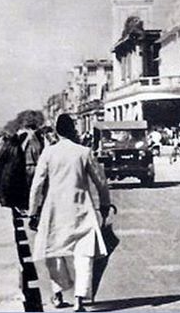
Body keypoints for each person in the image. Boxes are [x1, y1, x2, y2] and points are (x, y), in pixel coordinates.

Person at [28, 114, 111, 312]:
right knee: (84, 255)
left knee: (53, 252)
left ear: (56, 131)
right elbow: (101, 182)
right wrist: (105, 204)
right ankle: (79, 299)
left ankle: (58, 293)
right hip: (81, 210)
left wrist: (33, 212)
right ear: (73, 130)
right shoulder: (83, 152)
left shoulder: (48, 153)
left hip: (54, 210)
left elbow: (37, 185)